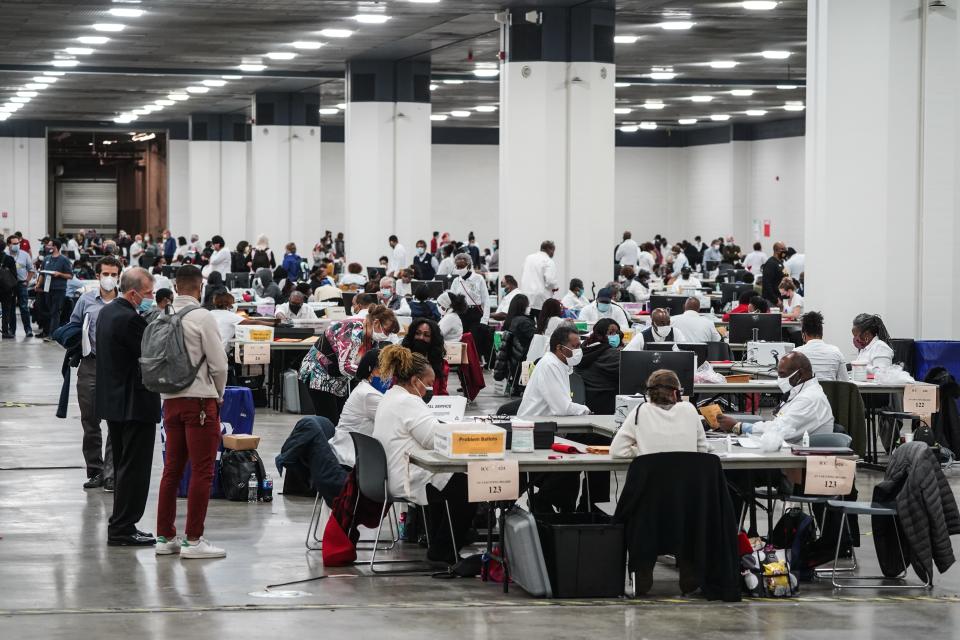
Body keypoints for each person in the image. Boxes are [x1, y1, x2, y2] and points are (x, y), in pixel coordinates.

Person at [151, 265, 229, 559]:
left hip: (169, 401)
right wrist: (218, 394)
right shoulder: (202, 317)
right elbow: (219, 365)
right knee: (202, 470)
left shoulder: (164, 315)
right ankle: (193, 540)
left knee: (171, 470)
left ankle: (164, 537)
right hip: (199, 402)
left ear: (175, 287)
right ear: (199, 287)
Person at [373, 345, 479, 562]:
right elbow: (434, 440)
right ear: (414, 381)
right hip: (406, 478)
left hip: (391, 474)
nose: (429, 389)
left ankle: (439, 544)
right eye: (428, 384)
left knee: (451, 481)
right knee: (470, 485)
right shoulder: (409, 401)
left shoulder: (391, 396)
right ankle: (443, 551)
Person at [95, 267, 159, 547]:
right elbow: (150, 355)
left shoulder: (108, 312)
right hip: (134, 403)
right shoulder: (130, 319)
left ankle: (121, 524)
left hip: (115, 402)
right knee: (134, 469)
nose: (151, 297)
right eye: (148, 293)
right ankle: (123, 527)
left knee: (123, 466)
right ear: (134, 294)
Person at [70, 255, 121, 490]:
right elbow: (73, 325)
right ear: (98, 275)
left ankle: (111, 473)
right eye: (105, 274)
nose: (109, 278)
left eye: (113, 274)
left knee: (116, 422)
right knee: (90, 421)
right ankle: (96, 470)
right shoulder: (86, 300)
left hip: (116, 368)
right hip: (90, 365)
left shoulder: (125, 302)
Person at [299, 304, 398, 424]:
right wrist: (369, 376)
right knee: (330, 422)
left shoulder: (372, 337)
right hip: (318, 374)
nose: (386, 336)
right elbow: (346, 366)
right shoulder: (353, 329)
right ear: (376, 323)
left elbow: (370, 363)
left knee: (341, 421)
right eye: (386, 331)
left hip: (337, 379)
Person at [716, 352, 834, 443]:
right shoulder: (799, 392)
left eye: (782, 374)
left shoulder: (809, 399)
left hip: (800, 458)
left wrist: (739, 427)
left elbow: (780, 430)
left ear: (800, 374)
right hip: (788, 448)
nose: (779, 379)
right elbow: (779, 423)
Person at [612, 370, 709, 457]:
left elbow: (617, 450)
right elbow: (702, 449)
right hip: (687, 475)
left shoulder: (640, 411)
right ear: (675, 393)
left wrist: (642, 451)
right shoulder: (689, 409)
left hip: (651, 476)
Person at [329, 349, 386, 467]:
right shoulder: (369, 395)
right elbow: (394, 421)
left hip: (354, 451)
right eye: (384, 370)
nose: (388, 376)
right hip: (349, 459)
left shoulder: (366, 388)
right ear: (370, 370)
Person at [518, 325, 590, 417]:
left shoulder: (560, 364)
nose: (578, 351)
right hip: (534, 425)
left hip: (543, 422)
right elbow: (563, 408)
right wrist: (585, 409)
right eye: (574, 346)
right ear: (559, 348)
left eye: (579, 346)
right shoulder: (550, 365)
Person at [575, 319, 624, 414]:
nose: (615, 336)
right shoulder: (611, 355)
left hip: (586, 401)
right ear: (600, 335)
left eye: (617, 332)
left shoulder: (583, 349)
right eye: (611, 333)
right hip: (608, 403)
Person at [449, 253, 490, 356]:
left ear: (468, 265)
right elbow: (451, 300)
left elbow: (486, 300)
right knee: (461, 340)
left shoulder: (478, 278)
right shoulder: (456, 281)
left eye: (461, 266)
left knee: (475, 341)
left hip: (475, 313)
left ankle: (476, 363)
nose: (459, 269)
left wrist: (485, 319)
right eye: (457, 266)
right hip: (461, 314)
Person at [792, 311, 847, 382]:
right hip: (828, 393)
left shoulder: (795, 354)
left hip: (805, 392)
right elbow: (845, 383)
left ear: (804, 335)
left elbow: (789, 383)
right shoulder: (836, 352)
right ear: (821, 333)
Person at [402, 317, 450, 396]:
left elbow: (442, 392)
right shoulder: (402, 360)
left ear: (433, 339)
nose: (421, 338)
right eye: (417, 333)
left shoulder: (442, 365)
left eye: (426, 335)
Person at [495, 294, 535, 386]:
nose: (529, 307)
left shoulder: (510, 320)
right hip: (521, 361)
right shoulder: (524, 322)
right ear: (523, 306)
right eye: (528, 305)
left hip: (513, 362)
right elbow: (534, 338)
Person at [37, 238, 73, 338]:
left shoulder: (64, 260)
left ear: (55, 247)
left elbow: (70, 275)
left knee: (55, 311)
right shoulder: (47, 259)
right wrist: (38, 284)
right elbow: (42, 273)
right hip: (47, 288)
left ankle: (53, 334)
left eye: (49, 245)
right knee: (48, 310)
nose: (47, 247)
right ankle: (48, 331)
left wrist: (60, 274)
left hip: (59, 289)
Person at [210, 292, 274, 348]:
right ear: (229, 305)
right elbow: (253, 322)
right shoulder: (230, 316)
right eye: (233, 303)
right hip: (218, 352)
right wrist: (274, 324)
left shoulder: (209, 313)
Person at [3, 234, 35, 337]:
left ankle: (28, 330)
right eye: (14, 243)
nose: (17, 245)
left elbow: (31, 270)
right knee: (11, 308)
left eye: (18, 243)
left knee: (24, 307)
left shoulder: (25, 255)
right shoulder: (5, 255)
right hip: (9, 285)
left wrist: (27, 281)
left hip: (21, 284)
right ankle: (12, 330)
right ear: (9, 244)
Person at [520, 240, 559, 317]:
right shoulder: (548, 261)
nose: (553, 254)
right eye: (553, 251)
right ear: (549, 249)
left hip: (525, 296)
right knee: (541, 325)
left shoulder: (528, 258)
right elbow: (550, 281)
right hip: (540, 300)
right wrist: (555, 287)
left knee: (528, 323)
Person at [761, 241, 787, 306]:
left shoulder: (780, 263)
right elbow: (767, 283)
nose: (785, 251)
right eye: (783, 249)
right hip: (772, 301)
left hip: (780, 298)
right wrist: (775, 299)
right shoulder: (771, 263)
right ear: (777, 251)